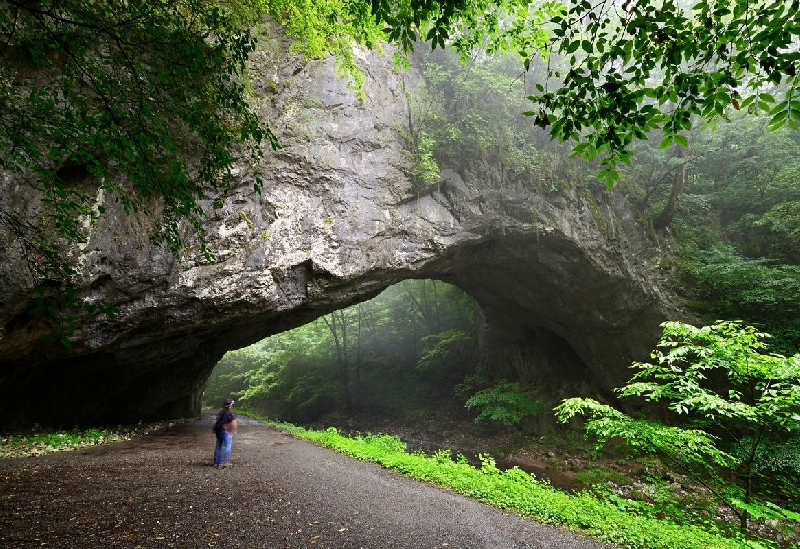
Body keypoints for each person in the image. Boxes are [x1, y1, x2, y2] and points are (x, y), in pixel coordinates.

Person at [213, 398, 238, 468]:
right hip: (225, 431)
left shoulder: (221, 412)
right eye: (232, 405)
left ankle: (216, 462)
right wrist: (234, 431)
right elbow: (234, 422)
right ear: (230, 405)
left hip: (218, 430)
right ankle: (224, 462)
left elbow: (218, 421)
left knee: (218, 446)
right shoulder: (231, 413)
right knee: (227, 446)